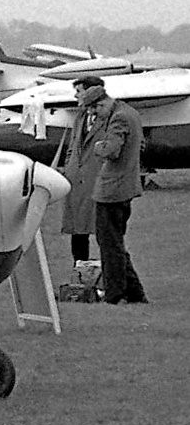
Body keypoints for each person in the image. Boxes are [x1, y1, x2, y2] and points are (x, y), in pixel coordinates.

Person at [74, 75, 149, 304]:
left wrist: (98, 146)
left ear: (101, 103)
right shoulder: (130, 113)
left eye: (95, 112)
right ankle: (136, 293)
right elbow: (141, 145)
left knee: (109, 245)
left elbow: (111, 150)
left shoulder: (119, 119)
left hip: (113, 189)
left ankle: (115, 294)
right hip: (124, 187)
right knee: (115, 242)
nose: (95, 116)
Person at [60, 77, 103, 265]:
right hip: (77, 182)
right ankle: (80, 270)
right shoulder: (80, 117)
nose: (76, 95)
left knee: (105, 230)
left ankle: (111, 275)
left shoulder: (111, 117)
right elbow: (73, 146)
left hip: (99, 180)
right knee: (78, 230)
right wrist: (69, 168)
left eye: (79, 91)